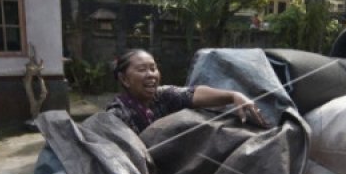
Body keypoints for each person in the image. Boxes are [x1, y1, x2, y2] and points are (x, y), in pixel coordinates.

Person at [106, 49, 267, 134]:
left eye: (153, 68)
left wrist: (233, 96)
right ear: (124, 79)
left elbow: (194, 93)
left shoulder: (163, 96)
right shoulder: (116, 115)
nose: (150, 75)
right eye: (142, 69)